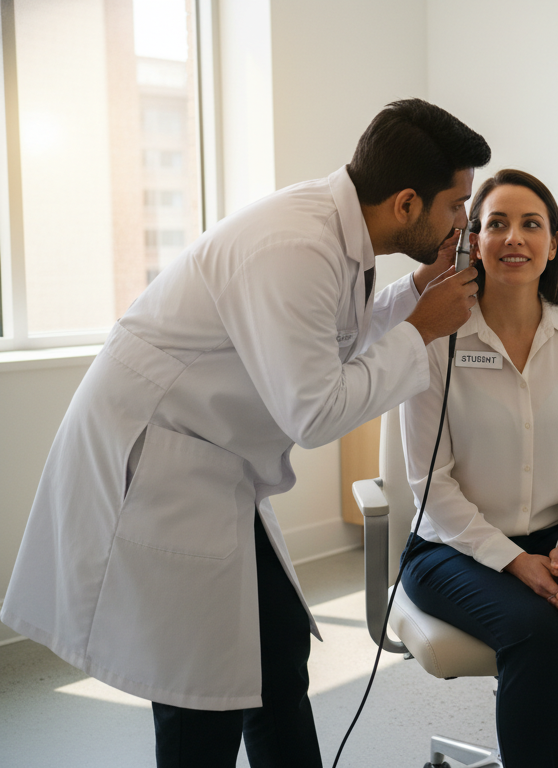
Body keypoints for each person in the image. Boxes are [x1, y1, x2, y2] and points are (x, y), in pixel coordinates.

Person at [0, 99, 490, 767]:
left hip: (212, 460)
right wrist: (424, 328)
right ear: (407, 203)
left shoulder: (335, 234)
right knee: (199, 697)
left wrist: (412, 298)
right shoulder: (294, 247)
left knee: (275, 649)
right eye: (457, 205)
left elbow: (332, 339)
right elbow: (315, 411)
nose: (464, 222)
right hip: (160, 465)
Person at [399, 169, 558, 767]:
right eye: (496, 224)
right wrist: (515, 563)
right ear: (471, 241)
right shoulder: (438, 340)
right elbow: (431, 485)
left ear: (552, 244)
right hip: (451, 550)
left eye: (531, 224)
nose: (514, 238)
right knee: (533, 630)